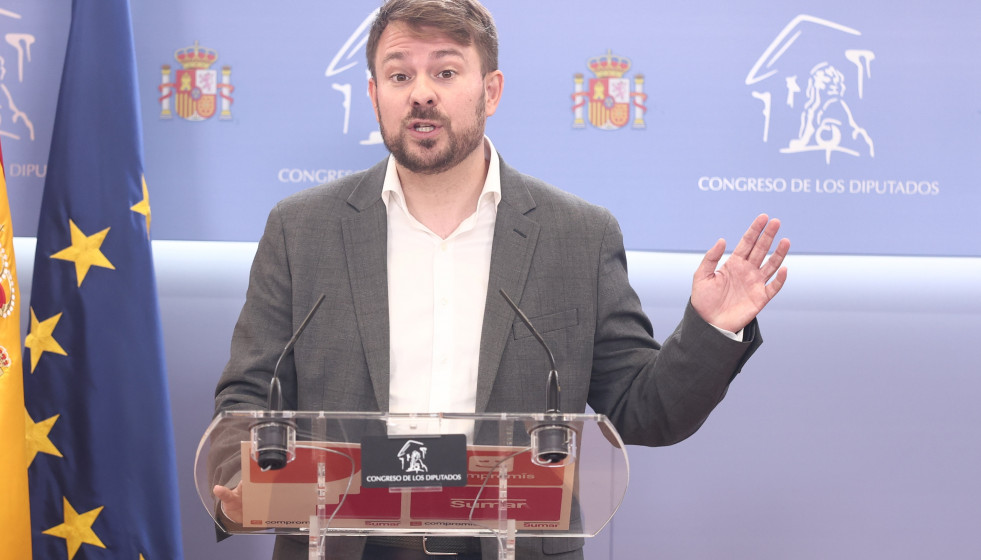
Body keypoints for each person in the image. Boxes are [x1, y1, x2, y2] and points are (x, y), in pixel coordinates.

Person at [212, 1, 790, 559]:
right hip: (343, 548)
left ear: (491, 89)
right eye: (398, 74)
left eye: (445, 70)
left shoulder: (577, 235)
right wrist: (246, 484)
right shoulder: (302, 229)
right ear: (373, 94)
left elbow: (642, 409)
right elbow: (246, 402)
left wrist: (712, 328)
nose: (421, 93)